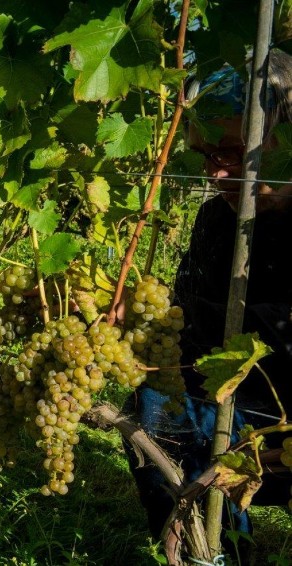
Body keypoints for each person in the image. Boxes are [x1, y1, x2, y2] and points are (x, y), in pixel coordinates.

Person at [124, 49, 292, 555]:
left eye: (232, 153)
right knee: (157, 402)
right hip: (239, 405)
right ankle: (211, 546)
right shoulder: (218, 221)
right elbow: (188, 328)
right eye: (206, 158)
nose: (215, 176)